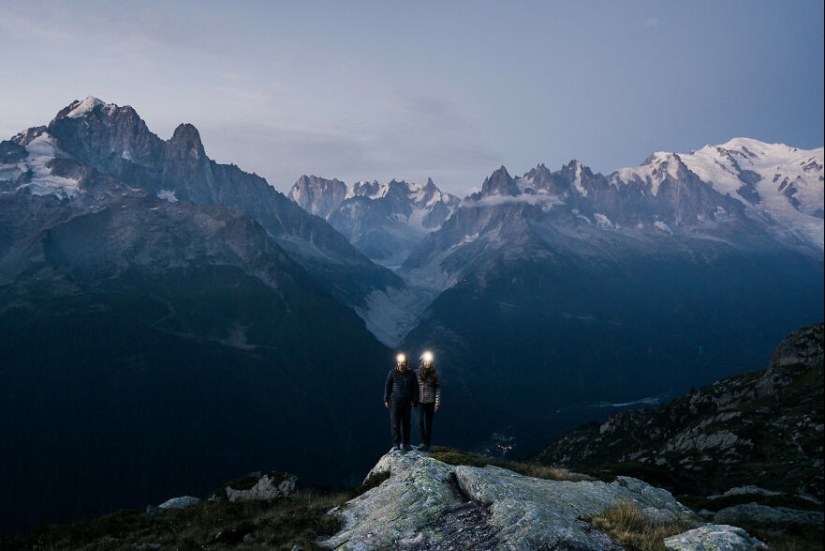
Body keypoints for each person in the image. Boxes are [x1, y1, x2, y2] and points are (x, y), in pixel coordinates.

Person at [384, 353, 419, 452]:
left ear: (406, 363)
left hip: (407, 402)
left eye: (402, 362)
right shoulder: (392, 373)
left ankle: (406, 444)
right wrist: (386, 399)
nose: (400, 364)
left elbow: (415, 388)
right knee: (395, 423)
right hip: (395, 401)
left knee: (406, 424)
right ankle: (396, 444)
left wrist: (414, 400)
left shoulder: (412, 374)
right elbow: (387, 386)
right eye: (398, 362)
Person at [415, 351, 441, 452]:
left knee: (428, 425)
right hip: (419, 402)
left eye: (429, 361)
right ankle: (422, 442)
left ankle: (428, 444)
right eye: (425, 361)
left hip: (430, 402)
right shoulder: (416, 373)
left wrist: (437, 403)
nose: (427, 363)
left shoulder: (434, 374)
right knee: (420, 422)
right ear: (422, 362)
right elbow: (413, 387)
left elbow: (437, 389)